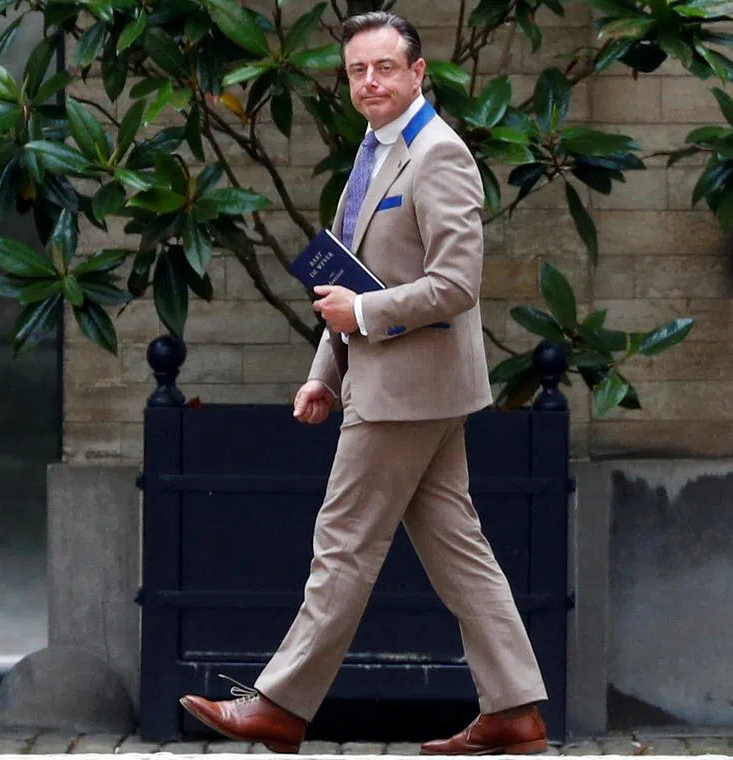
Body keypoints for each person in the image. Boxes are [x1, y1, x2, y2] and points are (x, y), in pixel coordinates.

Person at [179, 11, 549, 755]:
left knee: (342, 544)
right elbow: (350, 281)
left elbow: (456, 283)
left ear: (419, 74)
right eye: (357, 70)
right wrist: (325, 371)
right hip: (404, 384)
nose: (370, 81)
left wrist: (365, 316)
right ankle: (514, 710)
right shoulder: (379, 151)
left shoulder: (438, 154)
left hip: (407, 390)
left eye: (385, 67)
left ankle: (280, 705)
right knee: (459, 550)